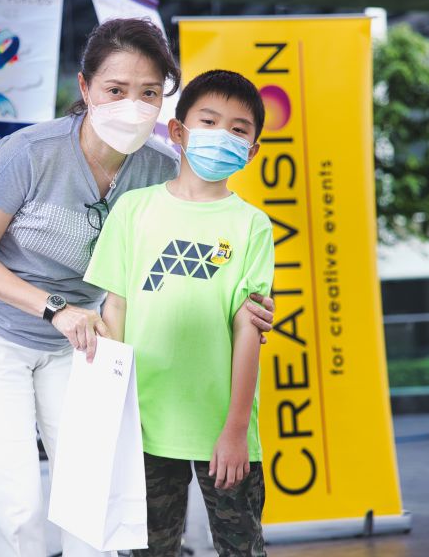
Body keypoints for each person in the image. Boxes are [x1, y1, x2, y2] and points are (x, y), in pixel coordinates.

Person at [0, 19, 275, 557]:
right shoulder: (29, 153)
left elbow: (194, 239)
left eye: (149, 93)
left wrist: (247, 305)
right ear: (86, 87)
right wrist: (55, 308)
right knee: (17, 507)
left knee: (92, 495)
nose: (133, 105)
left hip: (84, 341)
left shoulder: (160, 168)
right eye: (116, 90)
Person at [84, 69, 274, 557]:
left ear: (252, 150)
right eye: (208, 121)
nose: (222, 135)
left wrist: (236, 430)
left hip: (222, 429)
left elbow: (249, 330)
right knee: (149, 550)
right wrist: (114, 415)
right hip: (144, 426)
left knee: (242, 548)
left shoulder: (252, 225)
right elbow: (115, 309)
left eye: (238, 129)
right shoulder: (133, 210)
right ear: (178, 131)